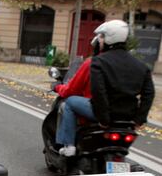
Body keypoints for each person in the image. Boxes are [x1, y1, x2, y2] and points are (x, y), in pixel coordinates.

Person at [56, 20, 155, 156]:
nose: (100, 40)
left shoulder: (98, 61)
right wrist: (139, 119)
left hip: (105, 114)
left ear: (110, 37)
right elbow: (149, 94)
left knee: (70, 102)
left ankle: (69, 146)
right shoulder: (141, 65)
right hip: (128, 116)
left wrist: (103, 119)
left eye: (102, 37)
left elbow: (99, 91)